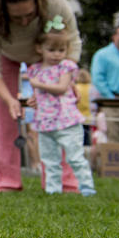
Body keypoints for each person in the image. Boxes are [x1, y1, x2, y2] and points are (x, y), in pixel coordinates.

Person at [0, 0, 81, 192]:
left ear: (38, 5)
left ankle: (62, 181)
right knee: (2, 115)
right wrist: (10, 100)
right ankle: (5, 181)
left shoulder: (54, 0)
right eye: (17, 18)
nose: (24, 22)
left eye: (29, 15)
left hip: (47, 53)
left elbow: (73, 42)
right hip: (4, 54)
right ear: (3, 12)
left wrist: (64, 79)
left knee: (58, 114)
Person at [26, 22, 96, 196]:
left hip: (66, 120)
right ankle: (53, 189)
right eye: (51, 50)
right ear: (39, 48)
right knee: (49, 159)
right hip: (44, 121)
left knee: (74, 156)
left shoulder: (65, 67)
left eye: (61, 50)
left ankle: (86, 187)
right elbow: (38, 95)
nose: (56, 55)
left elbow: (62, 88)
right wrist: (33, 99)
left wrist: (38, 84)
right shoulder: (34, 70)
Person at [74, 69, 93, 148]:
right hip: (90, 117)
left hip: (78, 117)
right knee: (89, 139)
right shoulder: (91, 88)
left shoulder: (76, 88)